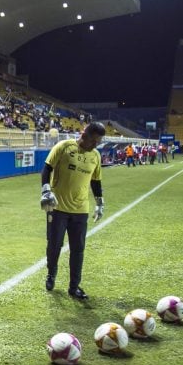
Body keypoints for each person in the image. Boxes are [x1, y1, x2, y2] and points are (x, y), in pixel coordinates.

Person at [40, 122, 105, 300]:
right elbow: (47, 169)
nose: (95, 145)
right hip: (57, 208)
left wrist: (99, 203)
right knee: (54, 245)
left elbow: (96, 181)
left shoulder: (96, 156)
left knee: (78, 249)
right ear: (84, 135)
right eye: (94, 141)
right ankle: (51, 275)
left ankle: (74, 287)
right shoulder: (63, 147)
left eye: (98, 142)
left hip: (80, 210)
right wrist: (46, 190)